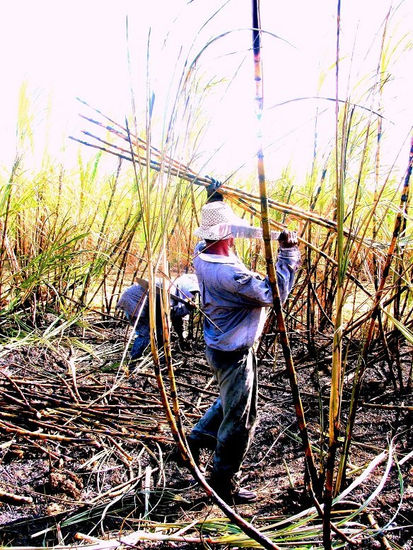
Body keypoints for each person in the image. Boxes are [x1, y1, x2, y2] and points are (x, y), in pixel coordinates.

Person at [185, 199, 301, 505]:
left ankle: (196, 439)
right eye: (231, 230)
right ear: (227, 234)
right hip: (233, 353)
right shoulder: (229, 277)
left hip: (219, 346)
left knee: (229, 400)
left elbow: (216, 238)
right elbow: (272, 294)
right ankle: (223, 481)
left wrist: (213, 198)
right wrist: (288, 253)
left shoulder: (202, 253)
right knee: (241, 418)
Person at [116, 274, 199, 359]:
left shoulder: (174, 290)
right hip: (134, 303)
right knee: (145, 333)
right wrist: (186, 309)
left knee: (156, 331)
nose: (192, 295)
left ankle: (160, 355)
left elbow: (174, 318)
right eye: (192, 292)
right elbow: (163, 314)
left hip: (137, 303)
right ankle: (133, 359)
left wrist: (181, 337)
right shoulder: (169, 289)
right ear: (186, 287)